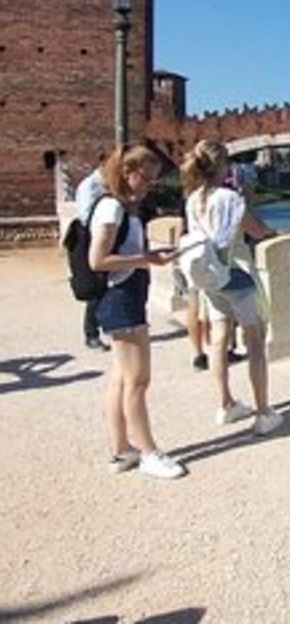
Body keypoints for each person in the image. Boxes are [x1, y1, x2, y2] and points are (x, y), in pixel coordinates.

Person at [89, 144, 186, 479]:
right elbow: (97, 260)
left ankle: (120, 451)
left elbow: (121, 253)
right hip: (120, 298)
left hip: (125, 295)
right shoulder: (112, 209)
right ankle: (148, 452)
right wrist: (147, 259)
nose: (149, 185)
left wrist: (151, 254)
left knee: (120, 377)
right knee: (138, 380)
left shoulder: (124, 209)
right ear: (127, 173)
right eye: (146, 178)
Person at [180, 140, 282, 436]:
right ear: (222, 165)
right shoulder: (230, 198)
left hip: (210, 277)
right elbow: (256, 229)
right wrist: (271, 230)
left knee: (218, 339)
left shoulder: (192, 200)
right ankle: (263, 412)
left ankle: (226, 405)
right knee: (255, 341)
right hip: (236, 274)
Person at [74, 157, 109, 351]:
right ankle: (91, 333)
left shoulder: (104, 185)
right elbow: (87, 216)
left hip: (104, 240)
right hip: (92, 240)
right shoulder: (90, 186)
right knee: (96, 288)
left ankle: (107, 325)